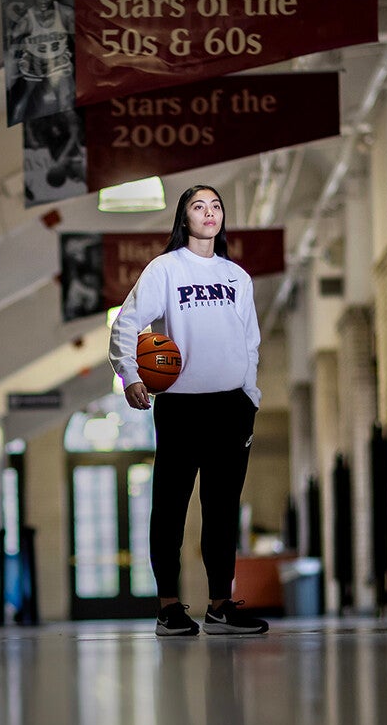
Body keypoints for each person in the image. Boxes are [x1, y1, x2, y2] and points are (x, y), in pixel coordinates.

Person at [108, 184, 268, 637]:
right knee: (171, 508)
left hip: (231, 409)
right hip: (180, 407)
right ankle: (168, 608)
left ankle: (220, 605)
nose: (209, 212)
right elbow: (127, 322)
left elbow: (250, 343)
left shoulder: (238, 278)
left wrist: (249, 395)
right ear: (184, 219)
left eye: (216, 205)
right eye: (199, 206)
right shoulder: (166, 269)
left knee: (222, 509)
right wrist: (130, 376)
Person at [4, 0, 75, 125]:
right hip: (33, 65)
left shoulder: (65, 13)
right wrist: (11, 74)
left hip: (58, 63)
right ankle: (18, 125)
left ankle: (74, 135)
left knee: (66, 102)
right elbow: (11, 48)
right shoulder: (26, 20)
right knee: (21, 102)